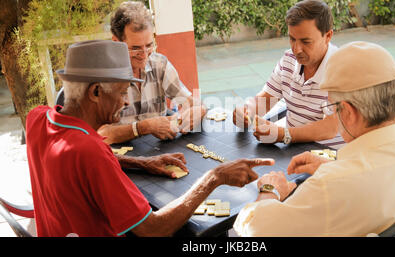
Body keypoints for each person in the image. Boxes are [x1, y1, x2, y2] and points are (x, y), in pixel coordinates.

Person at [26, 40, 273, 236]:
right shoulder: (89, 151)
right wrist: (215, 177)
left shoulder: (37, 118)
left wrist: (141, 162)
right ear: (96, 91)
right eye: (122, 92)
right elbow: (153, 229)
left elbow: (79, 166)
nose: (124, 101)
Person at [233, 41, 395, 236]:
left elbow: (256, 232)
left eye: (333, 107)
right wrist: (336, 166)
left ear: (349, 113)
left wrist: (270, 190)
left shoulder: (330, 187)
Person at [233, 0, 344, 149]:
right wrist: (246, 111)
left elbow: (331, 127)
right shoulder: (289, 60)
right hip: (293, 150)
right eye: (292, 39)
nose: (296, 49)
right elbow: (266, 99)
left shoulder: (342, 68)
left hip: (329, 156)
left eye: (306, 41)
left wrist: (284, 134)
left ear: (328, 36)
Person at [98, 1, 206, 144]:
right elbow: (100, 134)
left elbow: (193, 103)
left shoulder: (159, 64)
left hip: (157, 152)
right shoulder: (102, 77)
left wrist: (199, 110)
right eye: (135, 48)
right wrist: (144, 127)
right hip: (120, 158)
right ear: (116, 42)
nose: (144, 55)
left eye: (149, 45)